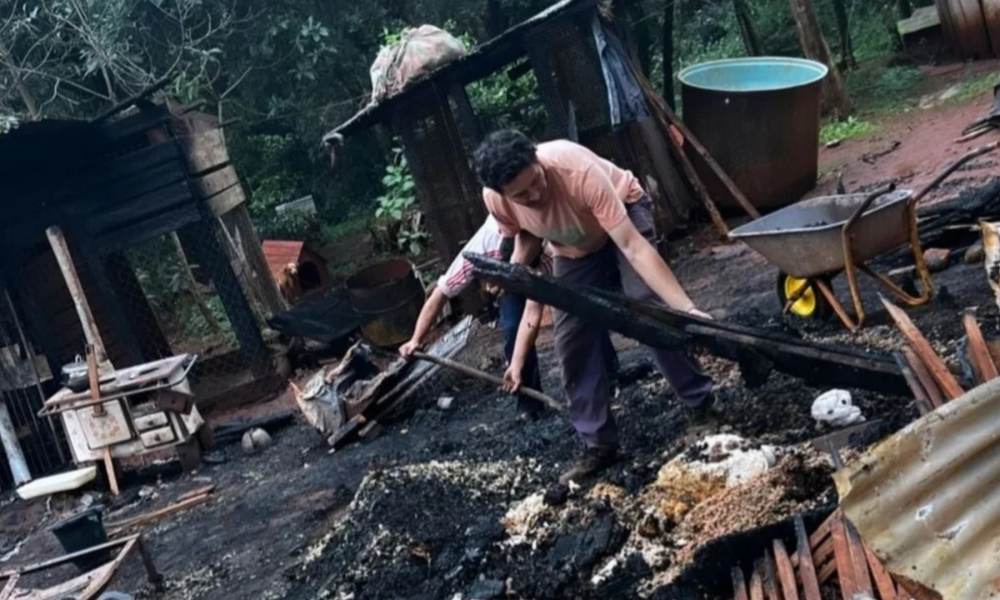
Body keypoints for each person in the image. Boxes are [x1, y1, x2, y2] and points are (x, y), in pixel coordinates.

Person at [473, 129, 715, 486]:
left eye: (536, 182)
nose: (535, 195)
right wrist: (515, 276)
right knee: (571, 337)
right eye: (522, 195)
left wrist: (687, 309)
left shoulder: (577, 172)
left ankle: (701, 404)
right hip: (572, 248)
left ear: (538, 160)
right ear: (502, 194)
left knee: (645, 306)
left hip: (624, 215)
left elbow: (633, 247)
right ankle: (598, 443)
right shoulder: (496, 200)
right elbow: (526, 235)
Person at [398, 215, 547, 420]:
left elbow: (534, 310)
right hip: (511, 274)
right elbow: (440, 293)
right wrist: (416, 339)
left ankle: (605, 377)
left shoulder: (542, 235)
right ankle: (528, 402)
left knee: (578, 323)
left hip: (546, 255)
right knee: (513, 326)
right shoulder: (481, 248)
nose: (490, 289)